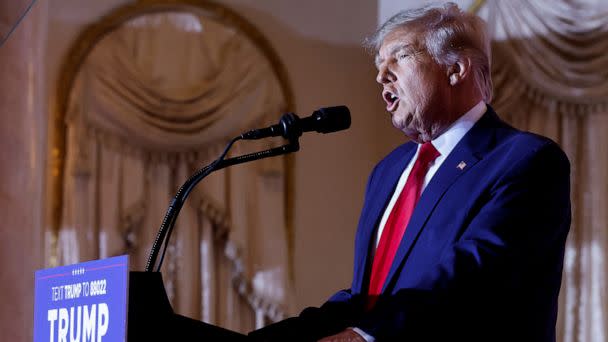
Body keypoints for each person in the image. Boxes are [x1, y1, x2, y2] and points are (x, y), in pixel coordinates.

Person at [249, 3, 571, 341]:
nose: (380, 75)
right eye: (378, 64)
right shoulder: (388, 171)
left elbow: (474, 276)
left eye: (398, 57)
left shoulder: (526, 160)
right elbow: (368, 297)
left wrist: (365, 335)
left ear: (455, 69)